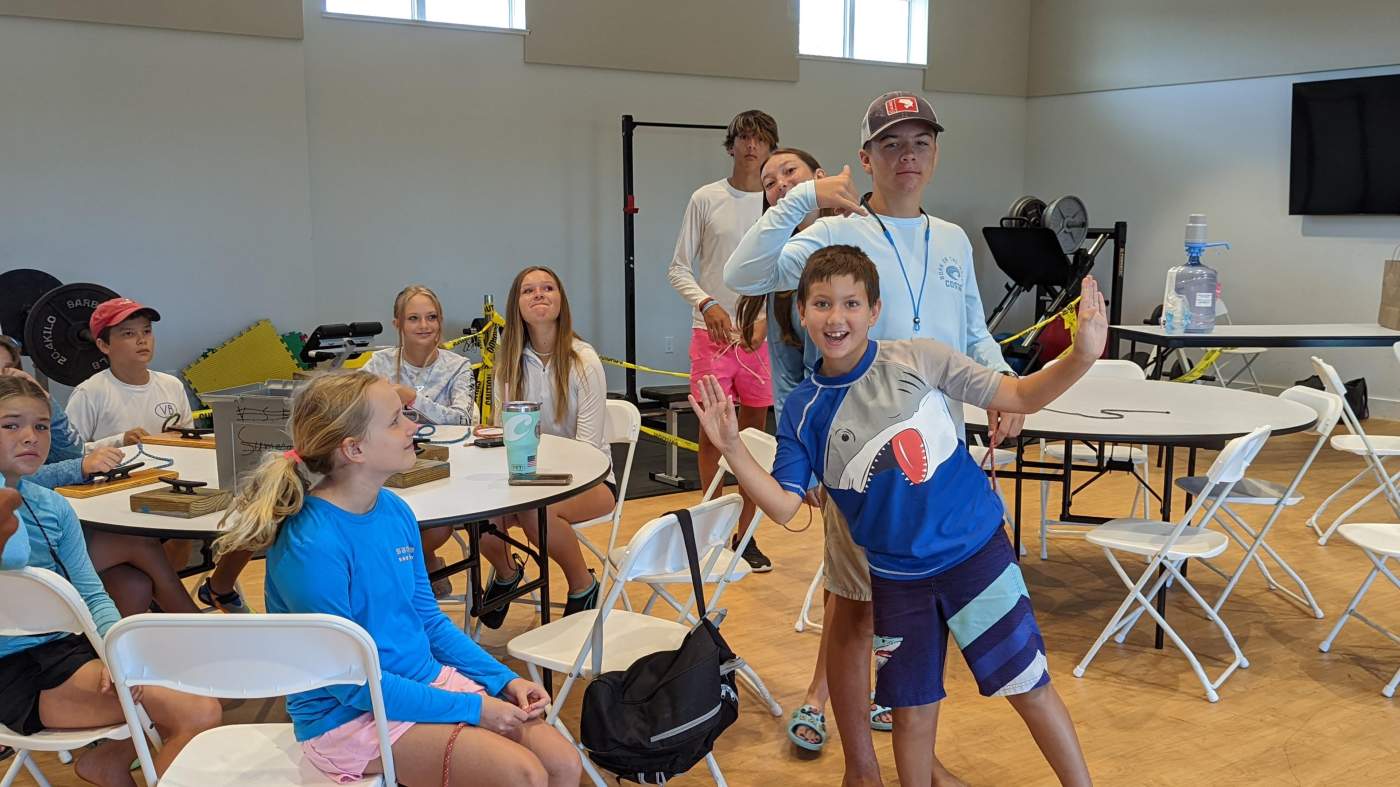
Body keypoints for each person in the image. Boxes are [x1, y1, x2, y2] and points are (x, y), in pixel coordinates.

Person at [697, 247, 1097, 787]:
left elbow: (1021, 393)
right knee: (910, 712)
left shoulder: (919, 357)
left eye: (850, 303)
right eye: (821, 304)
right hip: (896, 580)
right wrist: (732, 449)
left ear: (874, 309)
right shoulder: (803, 409)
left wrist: (1080, 358)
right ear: (801, 310)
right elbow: (786, 505)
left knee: (1026, 684)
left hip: (976, 556)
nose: (836, 318)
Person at [724, 92, 1027, 785]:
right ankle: (861, 766)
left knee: (924, 620)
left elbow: (973, 330)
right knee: (854, 612)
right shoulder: (842, 232)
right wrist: (806, 200)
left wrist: (1003, 380)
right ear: (866, 158)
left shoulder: (951, 237)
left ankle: (917, 758)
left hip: (942, 466)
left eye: (920, 142)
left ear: (936, 152)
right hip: (862, 464)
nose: (908, 156)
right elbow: (742, 275)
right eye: (891, 144)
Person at [214, 371, 580, 787]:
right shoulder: (311, 544)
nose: (413, 425)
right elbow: (353, 686)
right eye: (395, 420)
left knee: (562, 764)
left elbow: (429, 622)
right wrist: (475, 709)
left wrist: (503, 678)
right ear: (354, 449)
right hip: (348, 715)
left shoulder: (393, 509)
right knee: (524, 774)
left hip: (416, 683)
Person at [0, 375, 222, 787]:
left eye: (41, 426)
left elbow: (92, 593)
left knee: (210, 690)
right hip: (16, 670)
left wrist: (111, 650)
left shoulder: (53, 506)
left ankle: (112, 759)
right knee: (198, 712)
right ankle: (111, 760)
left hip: (68, 648)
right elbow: (11, 558)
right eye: (11, 425)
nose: (30, 437)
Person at [668, 109, 780, 572]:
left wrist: (766, 318)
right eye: (744, 138)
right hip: (711, 335)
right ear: (731, 145)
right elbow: (678, 268)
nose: (752, 147)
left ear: (772, 148)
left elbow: (790, 272)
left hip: (760, 339)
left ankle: (744, 536)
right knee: (713, 434)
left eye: (761, 140)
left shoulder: (781, 205)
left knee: (753, 438)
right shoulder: (706, 198)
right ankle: (710, 532)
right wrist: (708, 304)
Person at [476, 266, 616, 628]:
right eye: (528, 290)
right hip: (527, 478)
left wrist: (536, 482)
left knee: (536, 512)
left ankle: (582, 584)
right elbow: (501, 430)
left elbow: (589, 450)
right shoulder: (508, 361)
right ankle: (507, 573)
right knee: (479, 515)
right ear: (516, 305)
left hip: (591, 481)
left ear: (560, 300)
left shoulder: (584, 360)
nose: (538, 295)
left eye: (547, 287)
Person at [363, 285, 477, 597]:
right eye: (413, 318)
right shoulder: (377, 365)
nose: (424, 325)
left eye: (432, 317)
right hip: (387, 470)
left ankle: (409, 572)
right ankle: (423, 565)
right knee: (377, 519)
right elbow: (355, 412)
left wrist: (412, 398)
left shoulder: (458, 366)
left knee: (437, 525)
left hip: (443, 469)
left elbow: (463, 420)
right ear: (397, 323)